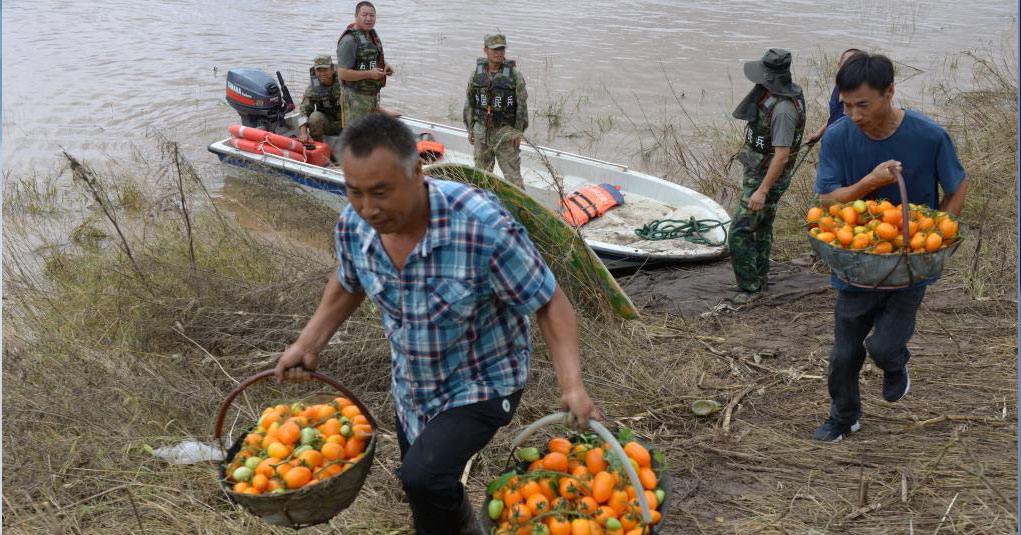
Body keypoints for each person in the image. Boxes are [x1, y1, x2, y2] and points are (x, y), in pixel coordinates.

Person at [273, 113, 600, 533]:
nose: (368, 208)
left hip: (485, 380)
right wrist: (309, 343)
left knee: (422, 477)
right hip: (415, 386)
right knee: (426, 484)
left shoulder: (482, 227)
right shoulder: (356, 226)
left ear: (417, 174)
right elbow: (348, 282)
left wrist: (572, 386)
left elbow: (549, 301)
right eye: (354, 192)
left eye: (381, 192)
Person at [812, 53, 968, 442]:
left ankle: (894, 361)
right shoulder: (838, 136)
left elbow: (957, 185)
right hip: (856, 264)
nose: (854, 114)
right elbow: (828, 202)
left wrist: (942, 227)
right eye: (846, 104)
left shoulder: (928, 135)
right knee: (843, 355)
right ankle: (844, 417)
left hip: (909, 267)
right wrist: (868, 183)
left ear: (890, 92)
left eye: (863, 104)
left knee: (883, 345)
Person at [727, 48, 808, 304]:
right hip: (758, 174)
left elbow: (782, 156)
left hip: (766, 180)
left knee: (739, 232)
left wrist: (762, 191)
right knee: (761, 228)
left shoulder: (783, 110)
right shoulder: (774, 96)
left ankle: (750, 288)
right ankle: (759, 279)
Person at [463, 33, 528, 189]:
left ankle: (521, 210)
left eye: (502, 49)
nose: (499, 53)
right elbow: (470, 103)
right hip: (481, 133)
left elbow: (522, 105)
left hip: (505, 134)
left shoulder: (515, 75)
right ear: (485, 50)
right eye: (495, 49)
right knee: (481, 177)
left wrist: (518, 132)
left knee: (513, 179)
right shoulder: (476, 75)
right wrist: (470, 129)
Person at [336, 1, 393, 127]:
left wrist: (385, 66)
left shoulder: (372, 34)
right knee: (357, 138)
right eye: (364, 15)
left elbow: (372, 58)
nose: (369, 19)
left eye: (372, 15)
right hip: (355, 99)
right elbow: (343, 73)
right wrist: (369, 74)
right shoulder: (349, 40)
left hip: (372, 97)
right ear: (356, 16)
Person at [804, 48, 864, 146]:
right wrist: (818, 134)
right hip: (830, 144)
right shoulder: (838, 86)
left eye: (854, 66)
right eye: (846, 65)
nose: (849, 70)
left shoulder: (863, 97)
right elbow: (835, 115)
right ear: (839, 65)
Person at [297, 54, 342, 142]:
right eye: (319, 70)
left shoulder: (344, 81)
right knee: (314, 117)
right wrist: (303, 133)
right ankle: (318, 145)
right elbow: (304, 111)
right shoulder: (312, 88)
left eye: (325, 70)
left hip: (346, 123)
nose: (322, 74)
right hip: (327, 124)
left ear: (332, 69)